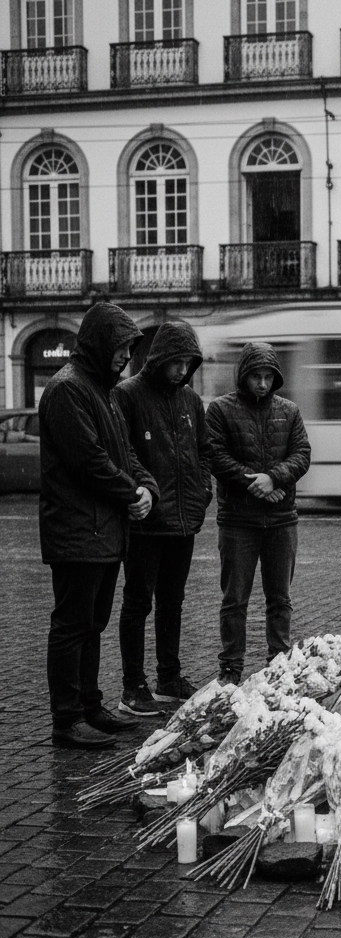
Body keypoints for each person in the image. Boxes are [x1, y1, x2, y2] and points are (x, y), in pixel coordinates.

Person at [38, 302, 160, 749]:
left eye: (130, 348)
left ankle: (90, 706)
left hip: (103, 532)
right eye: (122, 346)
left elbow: (125, 453)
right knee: (72, 626)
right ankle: (66, 719)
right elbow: (88, 460)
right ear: (100, 341)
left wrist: (147, 489)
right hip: (76, 532)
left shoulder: (104, 390)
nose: (127, 355)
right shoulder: (68, 390)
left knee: (93, 624)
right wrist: (132, 494)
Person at [113, 321, 212, 716]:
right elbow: (125, 452)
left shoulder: (191, 401)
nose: (181, 370)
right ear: (159, 359)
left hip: (184, 520)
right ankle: (132, 687)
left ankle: (168, 678)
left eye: (188, 363)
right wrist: (146, 489)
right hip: (147, 520)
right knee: (138, 603)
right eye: (176, 362)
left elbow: (203, 451)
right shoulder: (128, 395)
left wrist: (203, 490)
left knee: (172, 601)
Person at [207, 342, 311, 685]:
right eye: (256, 377)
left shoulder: (289, 411)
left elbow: (302, 454)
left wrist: (275, 477)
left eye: (268, 377)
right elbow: (215, 455)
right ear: (244, 376)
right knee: (235, 599)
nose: (263, 384)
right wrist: (257, 482)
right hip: (239, 521)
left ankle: (278, 663)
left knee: (280, 599)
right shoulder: (221, 410)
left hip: (281, 521)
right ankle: (230, 668)